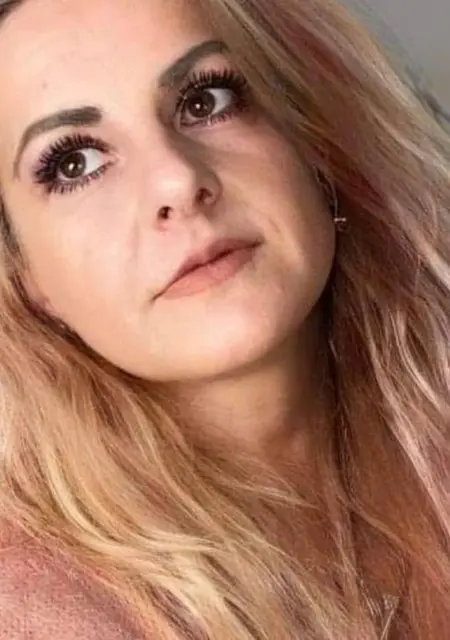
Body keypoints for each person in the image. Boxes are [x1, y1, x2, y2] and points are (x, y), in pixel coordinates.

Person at [0, 0, 449, 637]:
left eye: (204, 100)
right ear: (27, 276)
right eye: (75, 163)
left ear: (310, 142)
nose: (178, 182)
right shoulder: (32, 610)